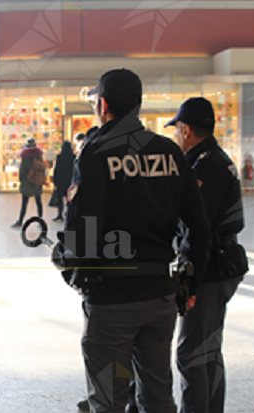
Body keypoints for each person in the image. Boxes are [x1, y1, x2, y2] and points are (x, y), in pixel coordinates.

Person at [56, 68, 211, 413]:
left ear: (103, 105)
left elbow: (84, 229)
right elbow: (200, 229)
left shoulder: (95, 154)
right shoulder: (170, 152)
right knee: (157, 397)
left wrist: (76, 276)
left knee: (108, 400)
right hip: (160, 295)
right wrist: (192, 284)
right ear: (138, 105)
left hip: (111, 299)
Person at [169, 97, 249, 413]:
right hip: (220, 262)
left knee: (190, 354)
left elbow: (196, 230)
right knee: (208, 351)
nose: (177, 135)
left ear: (186, 130)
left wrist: (190, 282)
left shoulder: (206, 167)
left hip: (210, 269)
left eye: (177, 129)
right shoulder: (211, 159)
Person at [11, 137, 44, 228]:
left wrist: (21, 180)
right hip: (37, 181)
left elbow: (22, 170)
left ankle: (20, 221)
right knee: (38, 202)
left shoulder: (25, 156)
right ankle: (40, 220)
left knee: (24, 203)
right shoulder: (39, 155)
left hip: (27, 182)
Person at [51, 140, 74, 222]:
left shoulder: (60, 157)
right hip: (70, 181)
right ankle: (69, 214)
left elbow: (57, 169)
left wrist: (55, 180)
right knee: (70, 199)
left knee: (60, 199)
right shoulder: (74, 157)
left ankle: (60, 215)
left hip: (61, 181)